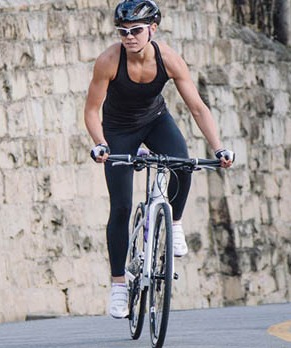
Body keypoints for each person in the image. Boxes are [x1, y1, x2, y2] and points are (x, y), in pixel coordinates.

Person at [84, 0, 235, 319]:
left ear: (152, 28)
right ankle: (119, 287)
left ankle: (175, 223)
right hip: (118, 129)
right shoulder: (109, 61)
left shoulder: (169, 59)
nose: (129, 37)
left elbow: (197, 107)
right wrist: (100, 144)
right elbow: (92, 111)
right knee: (121, 206)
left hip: (155, 120)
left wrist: (218, 147)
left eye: (136, 30)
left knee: (183, 163)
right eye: (122, 32)